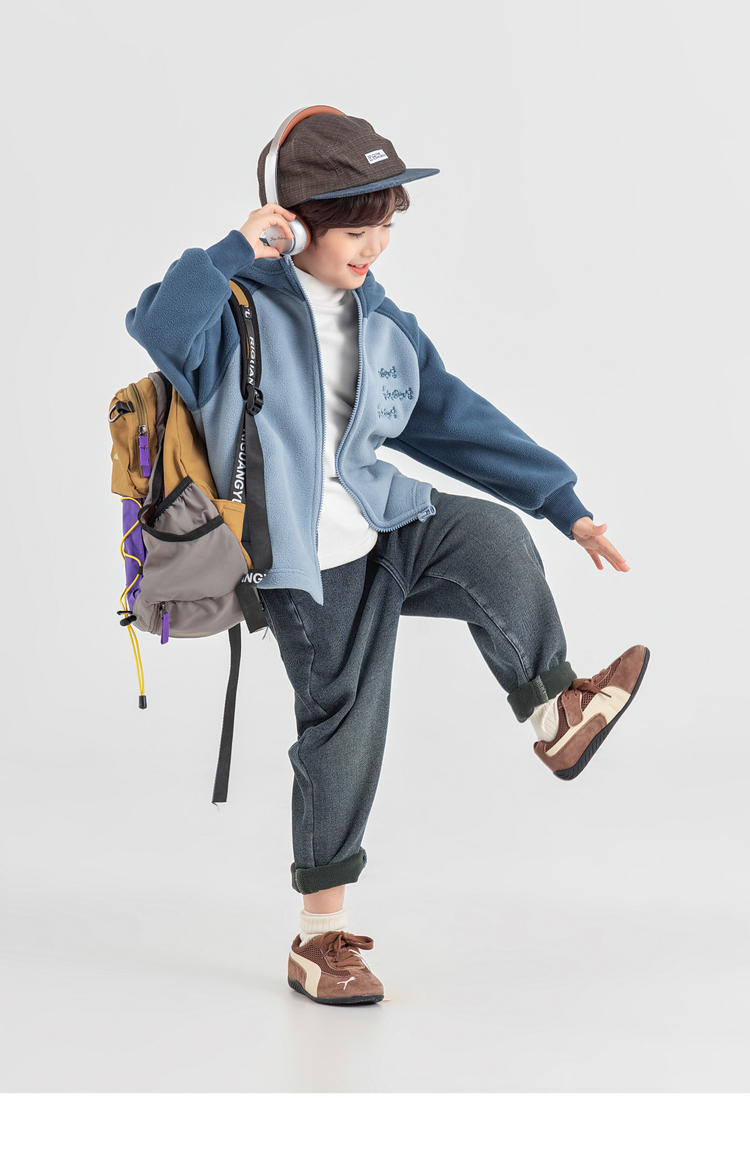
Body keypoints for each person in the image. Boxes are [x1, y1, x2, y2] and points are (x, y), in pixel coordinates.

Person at [126, 107, 649, 1008]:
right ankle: (318, 937)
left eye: (386, 227)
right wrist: (233, 250)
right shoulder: (235, 308)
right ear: (297, 223)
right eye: (357, 230)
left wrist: (562, 501)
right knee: (346, 724)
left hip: (384, 524)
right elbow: (159, 327)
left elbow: (447, 412)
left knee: (490, 537)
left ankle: (555, 710)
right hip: (300, 564)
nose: (375, 247)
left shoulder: (375, 315)